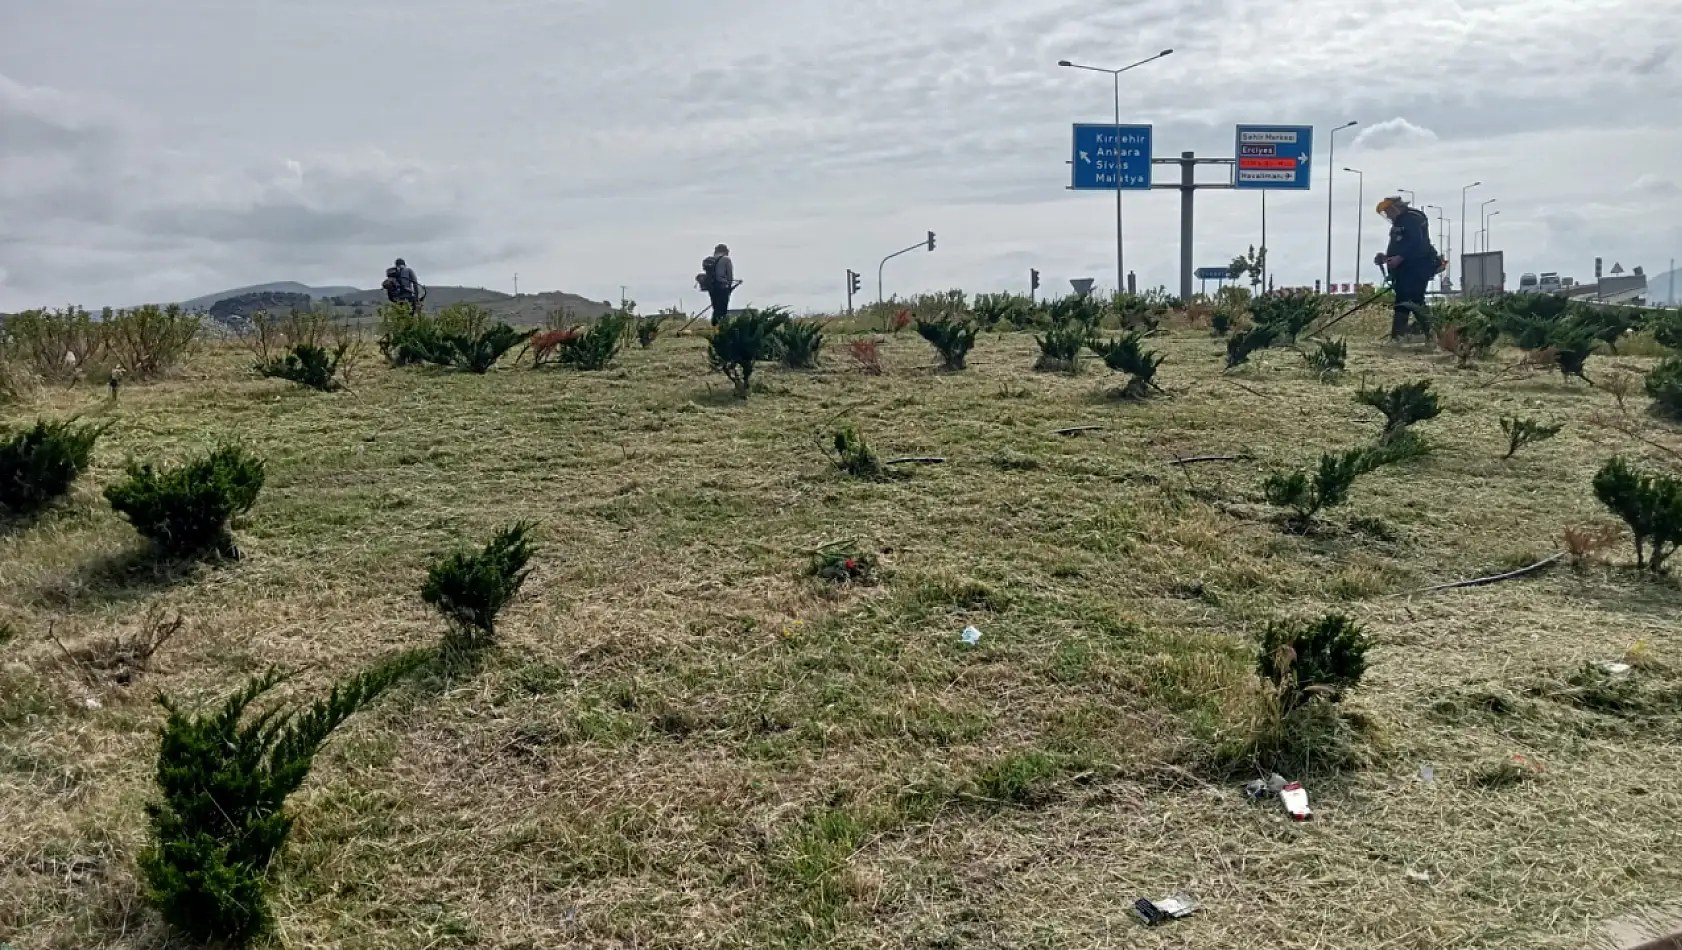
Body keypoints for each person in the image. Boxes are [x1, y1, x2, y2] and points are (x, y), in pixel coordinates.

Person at [1374, 197, 1439, 339]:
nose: (1387, 215)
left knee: (1413, 300)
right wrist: (1385, 258)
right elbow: (1399, 246)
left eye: (1388, 211)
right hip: (1404, 270)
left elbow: (1418, 244)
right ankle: (1402, 337)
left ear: (1395, 208)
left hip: (1418, 268)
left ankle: (1429, 336)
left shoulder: (1413, 219)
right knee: (1406, 301)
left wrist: (1400, 257)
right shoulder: (1398, 223)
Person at [700, 244, 735, 325]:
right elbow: (730, 276)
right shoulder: (726, 259)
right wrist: (729, 286)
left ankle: (714, 327)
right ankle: (720, 327)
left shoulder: (711, 260)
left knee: (715, 308)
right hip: (722, 287)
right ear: (725, 251)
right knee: (722, 309)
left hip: (712, 287)